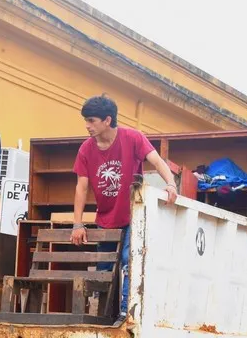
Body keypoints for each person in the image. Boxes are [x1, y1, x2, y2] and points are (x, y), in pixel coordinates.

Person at [70, 95, 178, 320]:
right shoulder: (85, 149)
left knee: (131, 261)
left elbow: (157, 162)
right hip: (105, 218)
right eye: (86, 120)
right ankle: (102, 316)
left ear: (107, 120)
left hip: (133, 216)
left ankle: (125, 313)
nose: (87, 126)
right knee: (103, 269)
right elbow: (81, 187)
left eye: (91, 120)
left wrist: (170, 184)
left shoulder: (133, 138)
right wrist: (77, 224)